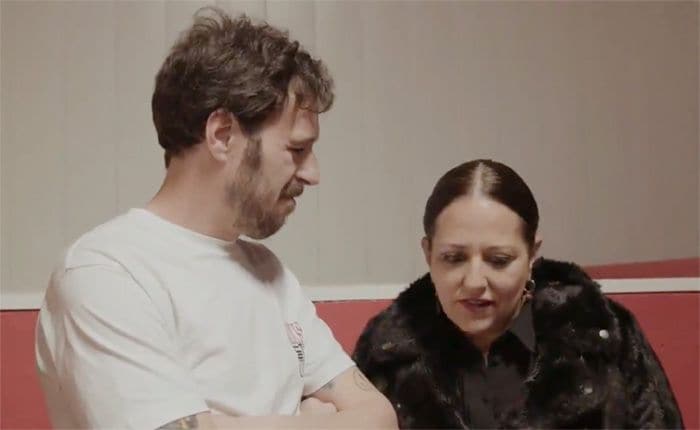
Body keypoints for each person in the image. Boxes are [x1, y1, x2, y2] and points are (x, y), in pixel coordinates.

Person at [35, 7, 396, 430]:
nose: (313, 174)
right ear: (222, 134)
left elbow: (380, 418)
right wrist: (312, 418)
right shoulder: (106, 272)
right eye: (297, 150)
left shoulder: (270, 273)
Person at [353, 159, 683, 429]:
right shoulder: (387, 358)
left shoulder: (603, 339)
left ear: (531, 255)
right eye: (453, 258)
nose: (474, 282)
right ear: (428, 253)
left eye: (499, 260)